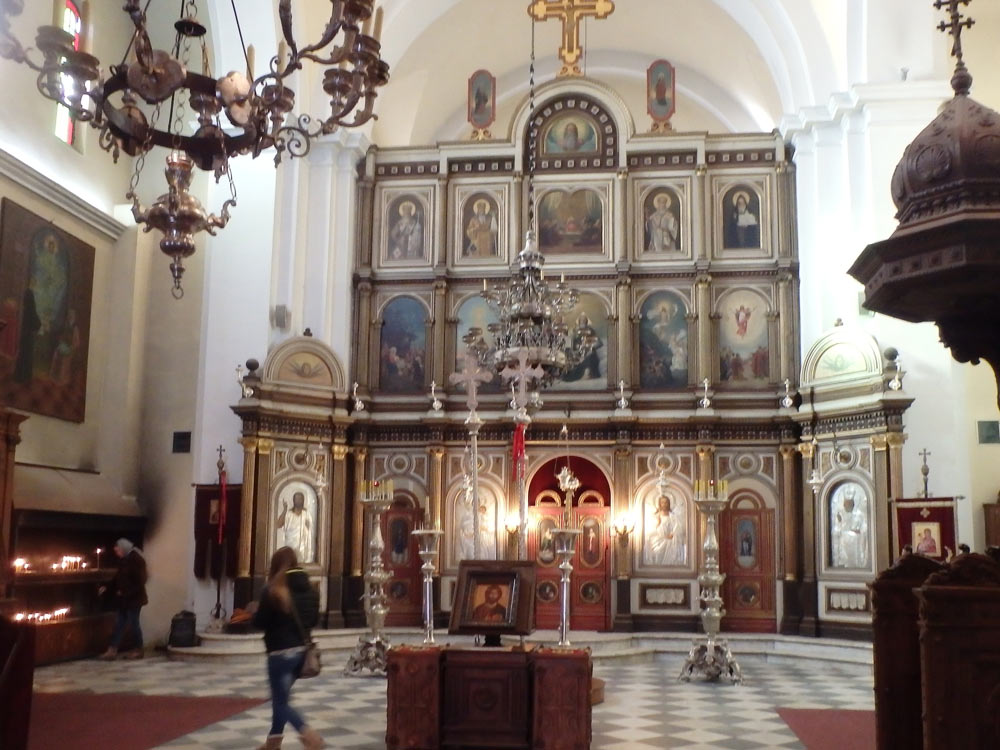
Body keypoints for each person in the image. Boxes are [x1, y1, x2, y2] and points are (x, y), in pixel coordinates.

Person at [251, 547, 322, 750]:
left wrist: (255, 612)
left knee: (280, 702)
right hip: (301, 653)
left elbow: (260, 622)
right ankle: (273, 743)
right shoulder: (311, 590)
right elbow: (313, 620)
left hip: (279, 654)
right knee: (280, 698)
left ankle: (308, 735)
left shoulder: (273, 590)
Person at [98, 538, 148, 660]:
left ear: (124, 549)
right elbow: (118, 577)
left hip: (134, 599)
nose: (117, 553)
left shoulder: (137, 560)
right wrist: (107, 588)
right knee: (119, 624)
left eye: (118, 551)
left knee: (133, 623)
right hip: (124, 600)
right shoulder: (123, 560)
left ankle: (138, 649)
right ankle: (112, 650)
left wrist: (126, 592)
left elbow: (140, 581)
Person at [832, 487, 869, 568]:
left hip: (857, 541)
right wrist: (840, 522)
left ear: (853, 504)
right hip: (844, 541)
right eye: (846, 504)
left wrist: (858, 531)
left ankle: (858, 564)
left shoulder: (859, 514)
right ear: (844, 504)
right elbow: (837, 530)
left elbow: (864, 528)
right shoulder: (840, 514)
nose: (848, 506)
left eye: (850, 504)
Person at [645, 494, 685, 566]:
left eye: (666, 502)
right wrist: (658, 523)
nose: (664, 504)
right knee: (657, 552)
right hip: (658, 539)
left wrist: (672, 534)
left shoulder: (672, 516)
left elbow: (677, 527)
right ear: (660, 504)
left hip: (669, 539)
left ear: (669, 503)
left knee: (670, 545)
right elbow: (651, 530)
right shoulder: (656, 516)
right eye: (662, 502)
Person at [277, 491, 315, 564]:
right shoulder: (288, 514)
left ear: (303, 500)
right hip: (291, 547)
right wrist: (284, 510)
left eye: (301, 499)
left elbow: (312, 531)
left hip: (304, 549)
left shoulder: (307, 514)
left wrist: (309, 526)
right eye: (297, 499)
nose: (299, 501)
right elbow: (278, 525)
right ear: (294, 500)